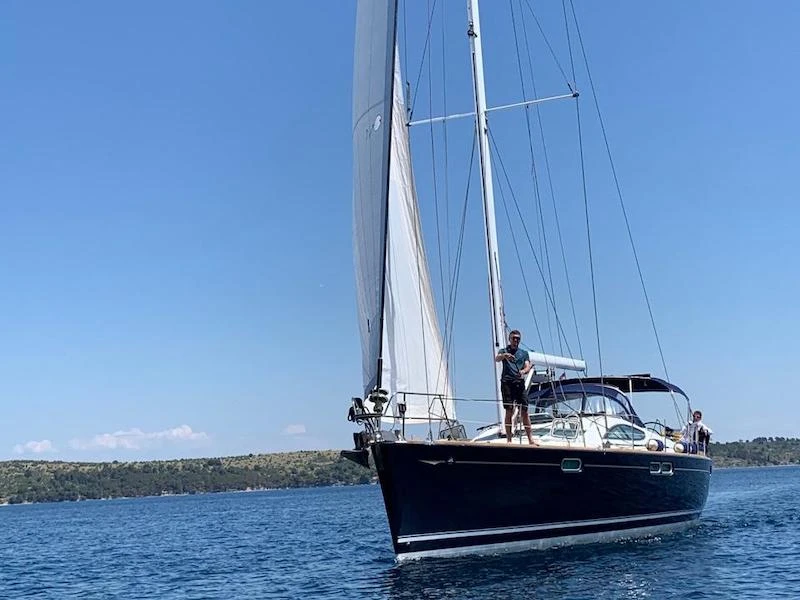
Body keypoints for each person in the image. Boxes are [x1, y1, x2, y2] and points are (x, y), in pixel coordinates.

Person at [495, 330, 537, 445]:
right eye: (513, 338)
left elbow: (527, 366)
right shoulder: (504, 351)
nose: (515, 340)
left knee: (525, 411)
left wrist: (523, 371)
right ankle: (509, 440)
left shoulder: (523, 353)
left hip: (519, 382)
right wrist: (504, 356)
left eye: (518, 338)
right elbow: (497, 359)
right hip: (507, 383)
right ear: (509, 339)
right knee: (509, 410)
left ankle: (530, 439)